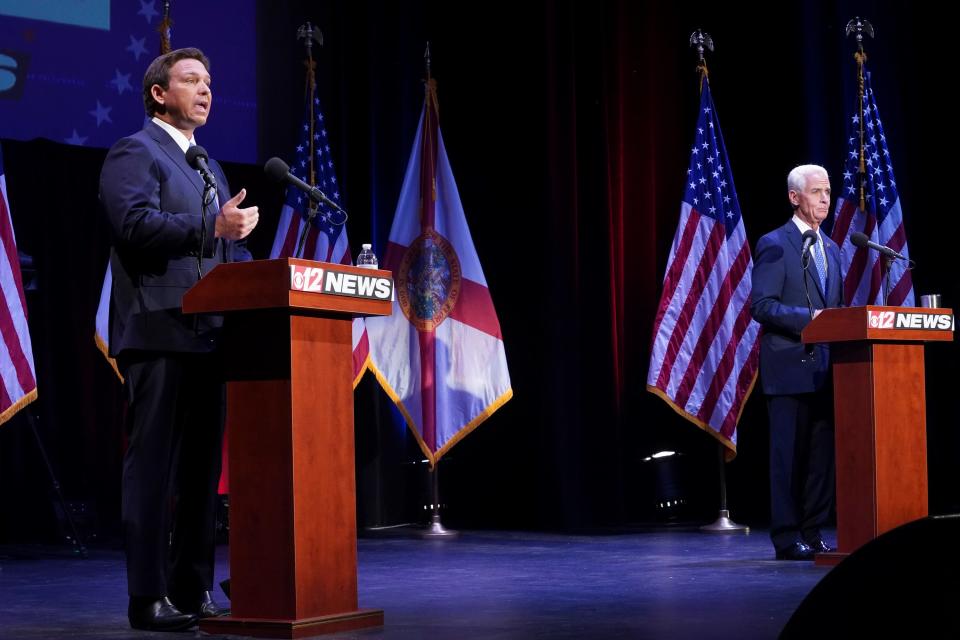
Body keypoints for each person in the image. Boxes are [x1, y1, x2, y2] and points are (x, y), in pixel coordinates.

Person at [100, 47, 259, 631]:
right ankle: (147, 598)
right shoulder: (134, 152)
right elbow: (134, 226)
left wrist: (243, 253)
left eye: (210, 82)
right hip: (158, 328)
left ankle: (191, 589)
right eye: (191, 80)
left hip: (208, 334)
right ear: (159, 94)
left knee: (199, 475)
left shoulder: (208, 168)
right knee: (153, 472)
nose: (206, 89)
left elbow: (216, 250)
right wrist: (213, 226)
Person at [750, 164, 842, 561]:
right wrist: (812, 321)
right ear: (794, 197)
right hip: (788, 368)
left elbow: (835, 309)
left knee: (821, 461)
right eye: (816, 191)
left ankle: (813, 530)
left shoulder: (834, 247)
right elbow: (763, 306)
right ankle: (787, 538)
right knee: (789, 459)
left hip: (826, 370)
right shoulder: (775, 243)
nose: (825, 198)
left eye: (828, 191)